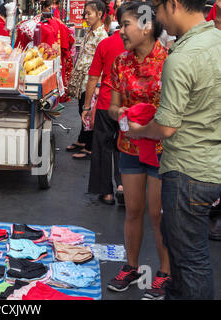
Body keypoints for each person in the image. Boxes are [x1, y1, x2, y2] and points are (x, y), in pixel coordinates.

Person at [127, 0, 221, 300]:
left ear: (174, 4)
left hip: (186, 171)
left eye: (158, 8)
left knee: (190, 259)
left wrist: (140, 131)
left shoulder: (180, 58)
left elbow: (166, 127)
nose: (156, 17)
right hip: (210, 166)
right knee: (188, 254)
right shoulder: (216, 41)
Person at [106, 1, 172, 300]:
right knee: (133, 210)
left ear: (147, 26)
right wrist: (124, 115)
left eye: (126, 24)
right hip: (130, 145)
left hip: (162, 148)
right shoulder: (120, 61)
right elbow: (112, 107)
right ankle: (131, 267)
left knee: (158, 214)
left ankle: (165, 272)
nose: (121, 31)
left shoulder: (170, 60)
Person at [83, 5, 126, 205]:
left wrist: (86, 106)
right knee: (125, 145)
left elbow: (93, 78)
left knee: (102, 145)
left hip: (106, 103)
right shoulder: (141, 43)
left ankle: (106, 193)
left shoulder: (106, 43)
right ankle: (123, 185)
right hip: (130, 105)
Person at [66, 0, 108, 160]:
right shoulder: (90, 31)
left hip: (91, 81)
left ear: (99, 14)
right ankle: (83, 140)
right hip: (83, 79)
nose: (85, 16)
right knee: (81, 110)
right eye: (85, 13)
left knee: (88, 112)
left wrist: (98, 84)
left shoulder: (102, 35)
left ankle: (90, 147)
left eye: (89, 13)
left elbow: (102, 62)